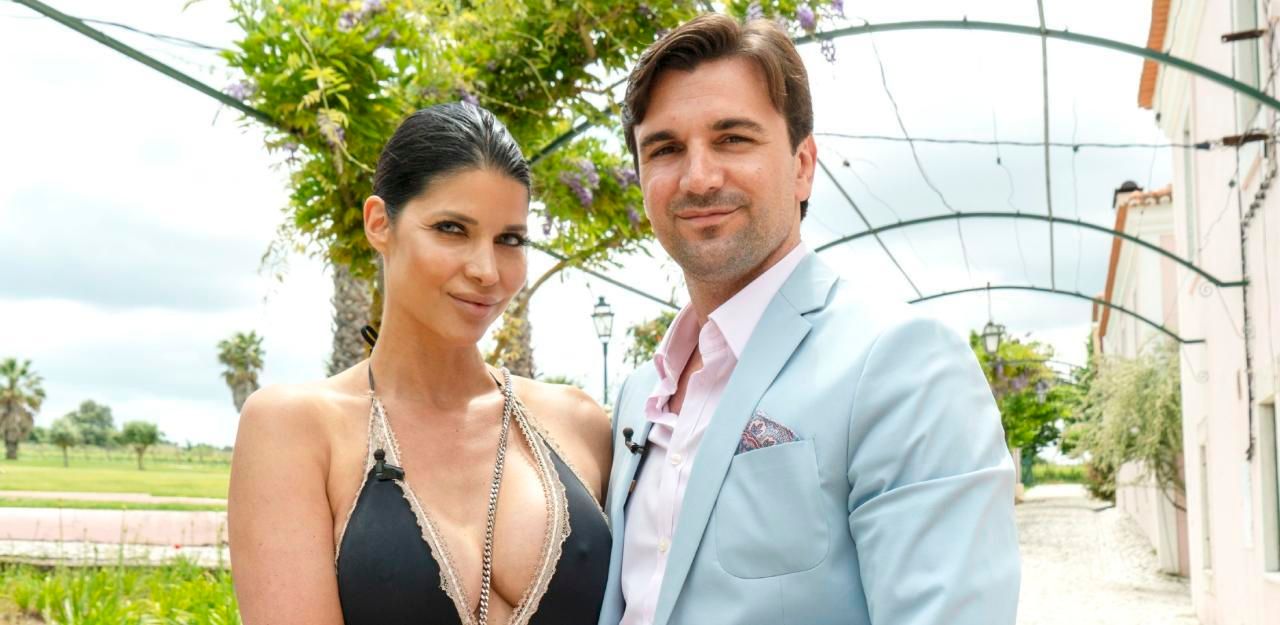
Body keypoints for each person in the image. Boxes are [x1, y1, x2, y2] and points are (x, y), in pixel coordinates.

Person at [598, 14, 1021, 625]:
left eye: (733, 139)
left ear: (802, 165)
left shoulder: (900, 361)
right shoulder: (639, 395)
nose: (699, 177)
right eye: (665, 149)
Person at [229, 102, 613, 625]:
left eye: (510, 239)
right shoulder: (295, 429)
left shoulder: (580, 424)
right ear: (379, 223)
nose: (486, 270)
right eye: (452, 228)